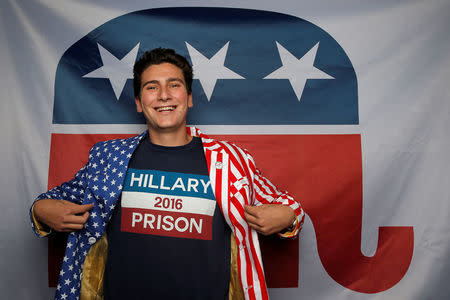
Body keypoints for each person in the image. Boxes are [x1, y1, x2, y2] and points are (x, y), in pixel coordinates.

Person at [31, 48, 305, 300]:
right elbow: (51, 202)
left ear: (189, 98)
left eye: (174, 85)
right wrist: (41, 211)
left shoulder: (229, 160)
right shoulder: (108, 158)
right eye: (152, 87)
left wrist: (287, 216)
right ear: (139, 103)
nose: (164, 95)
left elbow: (289, 207)